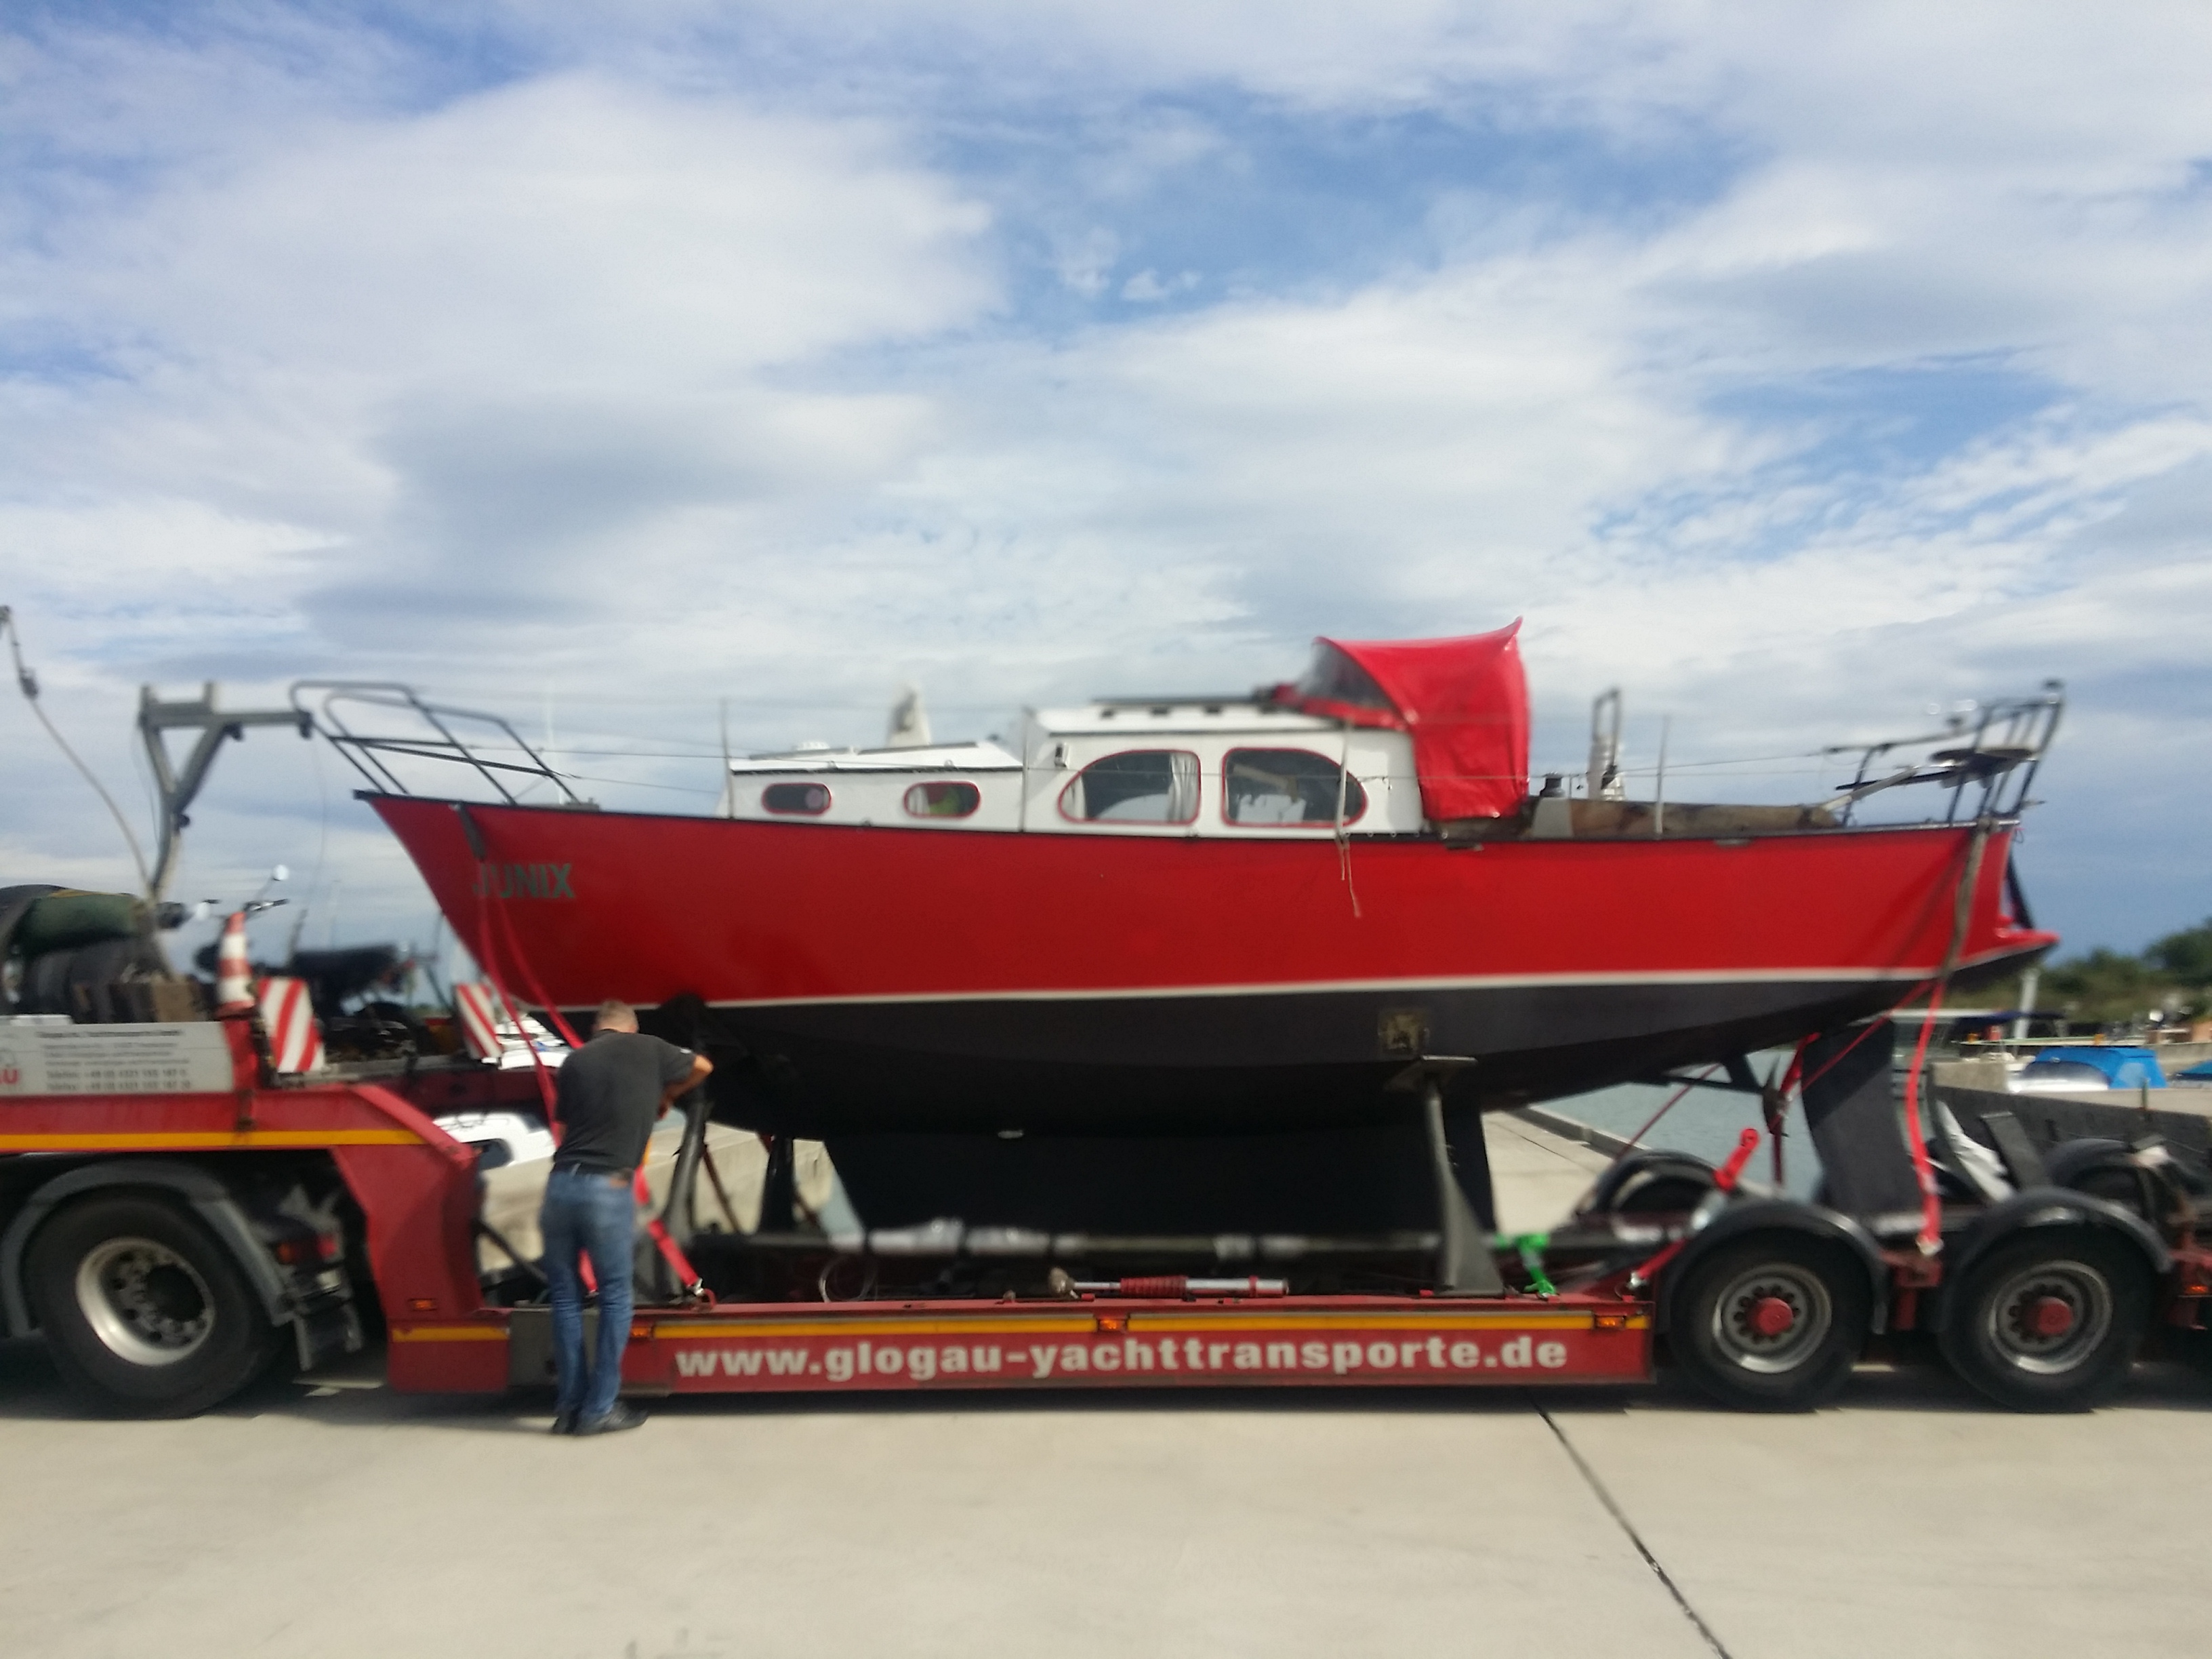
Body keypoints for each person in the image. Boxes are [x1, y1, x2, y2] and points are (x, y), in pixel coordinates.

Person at [542, 998, 712, 1435]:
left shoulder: (575, 1062)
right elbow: (703, 1067)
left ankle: (568, 1408)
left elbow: (565, 1128)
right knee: (616, 1297)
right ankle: (599, 1409)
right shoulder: (649, 1048)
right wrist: (666, 1096)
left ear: (597, 1028)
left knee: (566, 1298)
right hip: (607, 1187)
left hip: (560, 1186)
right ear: (630, 1027)